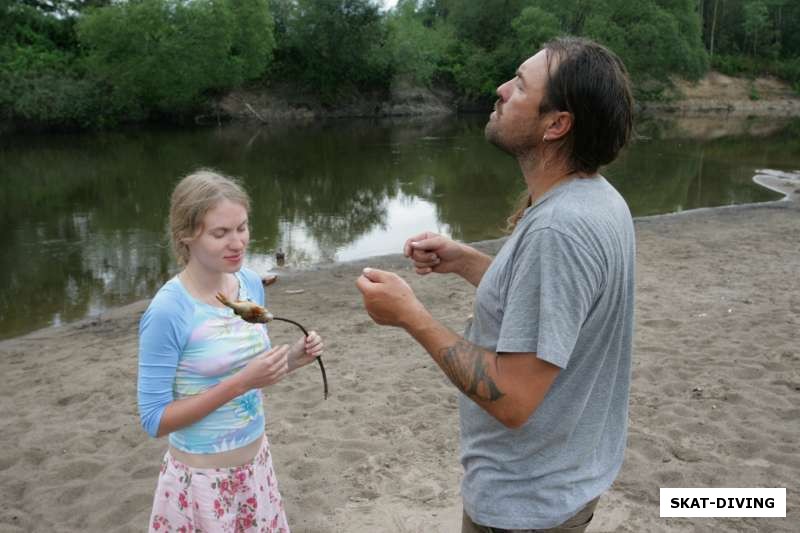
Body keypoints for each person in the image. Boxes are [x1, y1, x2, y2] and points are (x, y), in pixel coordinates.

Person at [356, 37, 635, 533]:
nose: (502, 89)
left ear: (557, 124)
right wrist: (466, 262)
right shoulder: (596, 198)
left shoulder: (558, 230)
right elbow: (555, 306)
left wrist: (410, 316)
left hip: (526, 504)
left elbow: (512, 397)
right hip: (566, 482)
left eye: (520, 85)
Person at [137, 169, 324, 532]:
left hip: (257, 471)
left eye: (242, 227)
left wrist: (294, 358)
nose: (237, 242)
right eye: (220, 233)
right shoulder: (168, 311)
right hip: (201, 485)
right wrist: (241, 383)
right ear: (186, 236)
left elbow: (250, 371)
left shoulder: (250, 283)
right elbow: (154, 420)